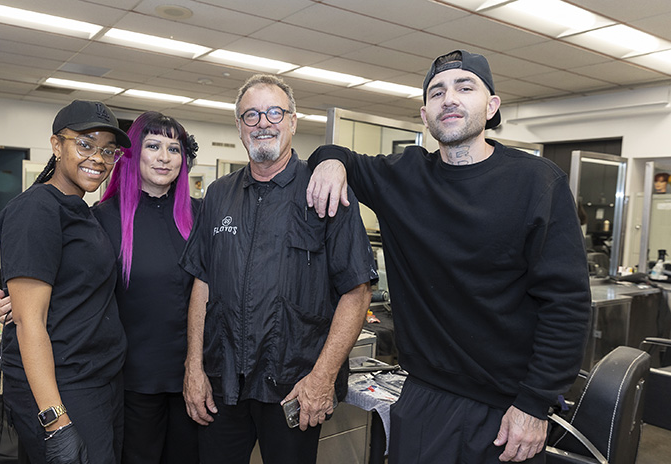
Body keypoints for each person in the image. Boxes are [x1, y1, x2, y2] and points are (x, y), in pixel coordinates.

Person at [306, 50, 591, 463]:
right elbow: (336, 154)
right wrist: (331, 162)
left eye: (465, 87)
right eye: (437, 92)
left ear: (491, 106)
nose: (449, 98)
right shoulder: (403, 176)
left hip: (506, 408)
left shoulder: (537, 183)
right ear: (425, 115)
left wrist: (535, 403)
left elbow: (567, 305)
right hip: (424, 397)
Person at [179, 74, 376, 464]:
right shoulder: (219, 194)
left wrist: (321, 379)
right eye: (250, 115)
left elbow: (357, 291)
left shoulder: (325, 191)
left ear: (292, 121)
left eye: (273, 112)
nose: (263, 123)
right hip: (224, 383)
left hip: (295, 387)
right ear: (239, 127)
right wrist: (194, 367)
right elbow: (202, 281)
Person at [0, 111, 202, 463]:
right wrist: (21, 305)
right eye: (153, 146)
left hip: (139, 375)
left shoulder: (199, 214)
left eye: (174, 148)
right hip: (106, 379)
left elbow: (77, 280)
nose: (165, 157)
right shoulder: (96, 217)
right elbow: (39, 302)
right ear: (57, 146)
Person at [0, 100, 131, 463]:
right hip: (64, 386)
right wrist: (56, 421)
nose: (98, 159)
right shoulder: (36, 210)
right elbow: (29, 322)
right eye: (85, 144)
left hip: (97, 379)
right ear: (57, 146)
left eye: (108, 150)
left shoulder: (81, 211)